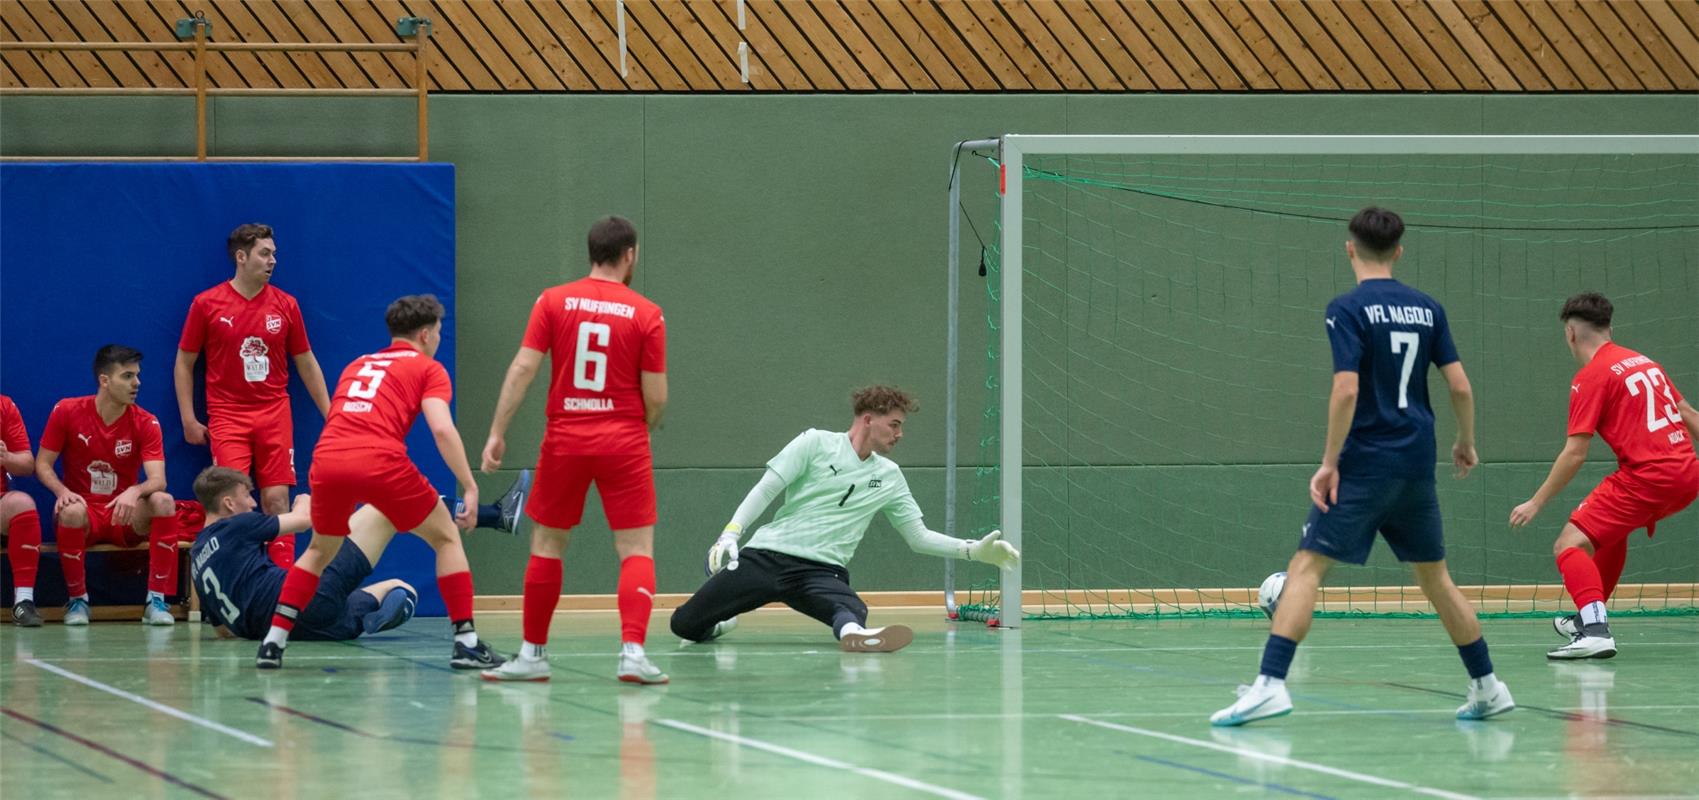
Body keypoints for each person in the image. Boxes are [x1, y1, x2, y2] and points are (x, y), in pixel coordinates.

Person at [1211, 207, 1513, 726]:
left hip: (1368, 461)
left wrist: (1330, 462)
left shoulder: (1346, 308)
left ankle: (1270, 685)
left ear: (1350, 248)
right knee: (1436, 578)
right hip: (1416, 462)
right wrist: (1465, 441)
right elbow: (1460, 385)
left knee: (1306, 567)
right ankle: (1488, 685)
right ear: (1398, 251)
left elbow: (1346, 388)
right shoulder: (1428, 308)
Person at [668, 385, 1020, 653]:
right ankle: (721, 622)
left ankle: (855, 636)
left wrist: (974, 551)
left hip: (821, 572)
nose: (899, 434)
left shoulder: (891, 476)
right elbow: (766, 489)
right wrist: (730, 534)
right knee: (684, 624)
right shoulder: (815, 443)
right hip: (767, 557)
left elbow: (918, 536)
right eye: (894, 425)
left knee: (850, 606)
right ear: (868, 419)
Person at [255, 294, 503, 670]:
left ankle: (273, 642)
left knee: (320, 551)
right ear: (424, 334)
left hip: (327, 460)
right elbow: (441, 428)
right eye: (438, 332)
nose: (438, 339)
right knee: (445, 537)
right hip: (378, 459)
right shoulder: (427, 368)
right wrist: (468, 483)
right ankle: (466, 641)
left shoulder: (359, 364)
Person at [478, 216, 670, 684]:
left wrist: (497, 431)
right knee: (635, 548)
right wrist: (641, 425)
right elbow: (657, 396)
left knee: (547, 544)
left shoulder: (553, 301)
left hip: (565, 437)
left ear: (591, 253)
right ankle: (632, 654)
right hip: (623, 440)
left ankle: (532, 655)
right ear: (629, 256)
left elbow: (524, 367)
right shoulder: (647, 313)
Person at [1509, 292, 1699, 659]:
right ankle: (1587, 616)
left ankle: (1595, 629)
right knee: (1608, 534)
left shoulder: (1590, 376)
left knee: (1568, 544)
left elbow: (1575, 452)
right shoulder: (1646, 363)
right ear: (1609, 328)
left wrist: (1537, 501)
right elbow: (1688, 413)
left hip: (1648, 477)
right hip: (1687, 474)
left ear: (1570, 333)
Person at [176, 223, 331, 569]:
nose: (273, 260)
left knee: (277, 499)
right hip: (227, 414)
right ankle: (231, 579)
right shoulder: (207, 303)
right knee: (229, 501)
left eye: (274, 253)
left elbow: (306, 363)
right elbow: (184, 363)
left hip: (275, 412)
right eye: (265, 253)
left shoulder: (286, 305)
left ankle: (279, 585)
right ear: (241, 257)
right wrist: (188, 418)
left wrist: (330, 413)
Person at [34, 345, 181, 626]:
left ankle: (157, 601)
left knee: (163, 501)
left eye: (137, 375)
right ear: (104, 380)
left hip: (122, 513)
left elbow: (158, 479)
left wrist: (135, 491)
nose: (136, 383)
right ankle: (78, 601)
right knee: (71, 511)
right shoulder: (66, 411)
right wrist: (63, 492)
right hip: (85, 511)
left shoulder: (146, 421)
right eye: (127, 376)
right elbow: (42, 465)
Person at [190, 466, 417, 641]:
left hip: (292, 630)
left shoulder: (196, 561)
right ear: (229, 503)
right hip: (305, 601)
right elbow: (304, 521)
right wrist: (304, 499)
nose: (252, 503)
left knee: (400, 586)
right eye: (246, 495)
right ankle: (448, 512)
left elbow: (223, 631)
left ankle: (367, 614)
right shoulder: (235, 525)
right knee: (383, 507)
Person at [2, 394, 45, 626]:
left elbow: (28, 465)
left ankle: (23, 602)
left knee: (22, 503)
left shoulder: (4, 405)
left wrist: (5, 456)